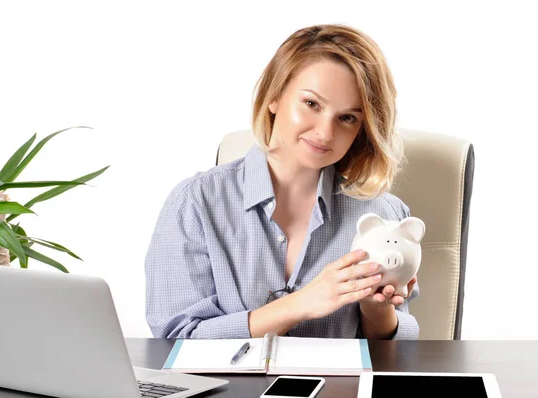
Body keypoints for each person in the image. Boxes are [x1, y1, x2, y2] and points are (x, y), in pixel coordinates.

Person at [145, 24, 419, 341]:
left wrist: (376, 310)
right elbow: (174, 339)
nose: (325, 133)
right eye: (312, 104)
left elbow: (400, 353)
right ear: (275, 96)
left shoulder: (382, 214)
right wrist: (299, 305)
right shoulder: (194, 203)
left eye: (347, 118)